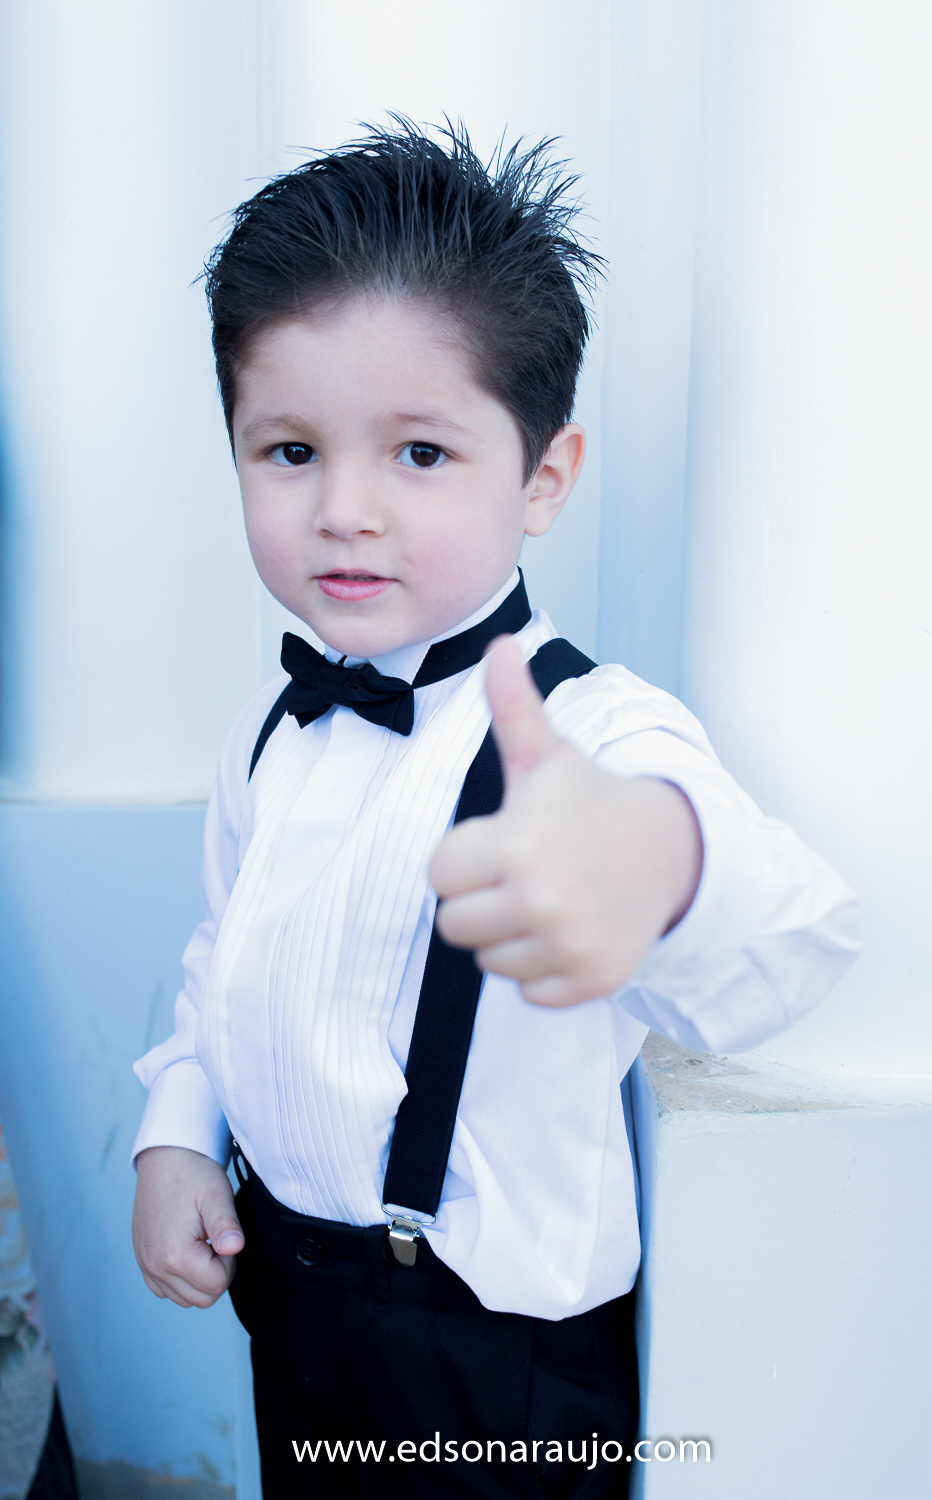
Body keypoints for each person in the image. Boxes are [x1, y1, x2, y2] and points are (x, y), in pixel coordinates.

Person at [130, 121, 858, 1498]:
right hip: (293, 1308)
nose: (345, 509)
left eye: (419, 453)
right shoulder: (272, 736)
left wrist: (660, 861)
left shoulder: (587, 733)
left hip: (498, 1365)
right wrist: (177, 1131)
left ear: (543, 478)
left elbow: (793, 931)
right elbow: (224, 962)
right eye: (289, 450)